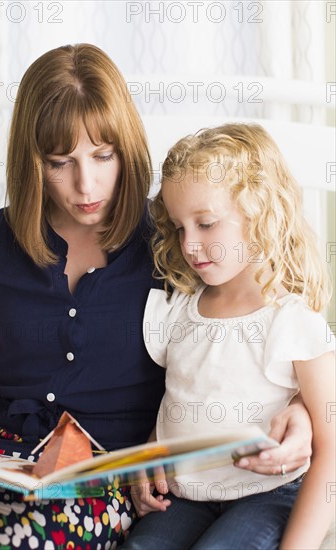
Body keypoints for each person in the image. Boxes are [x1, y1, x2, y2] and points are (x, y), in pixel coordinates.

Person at [0, 46, 312, 549]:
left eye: (103, 156)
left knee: (34, 533)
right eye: (60, 163)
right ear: (31, 162)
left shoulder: (178, 243)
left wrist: (304, 409)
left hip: (107, 469)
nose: (86, 184)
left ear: (126, 148)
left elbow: (267, 328)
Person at [121, 123, 335, 550]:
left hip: (266, 495)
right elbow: (178, 403)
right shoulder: (180, 307)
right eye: (180, 228)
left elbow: (330, 446)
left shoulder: (290, 319)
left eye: (206, 224)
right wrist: (149, 457)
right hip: (184, 498)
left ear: (259, 212)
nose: (190, 244)